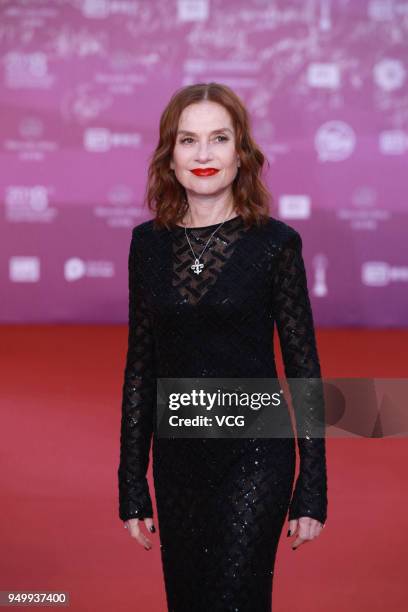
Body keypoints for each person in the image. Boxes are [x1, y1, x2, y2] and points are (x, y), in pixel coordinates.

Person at [118, 82, 328, 612]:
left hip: (255, 452)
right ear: (170, 156)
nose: (204, 155)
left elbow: (304, 369)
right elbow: (140, 368)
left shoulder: (275, 244)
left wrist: (313, 485)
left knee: (236, 599)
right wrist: (131, 482)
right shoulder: (147, 245)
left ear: (242, 153)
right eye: (188, 140)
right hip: (178, 455)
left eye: (219, 139)